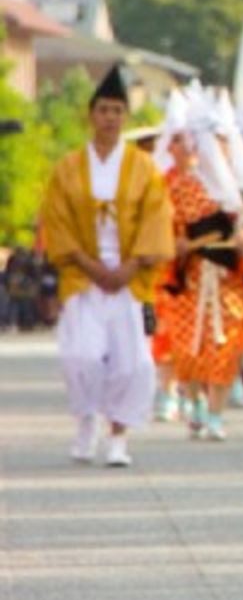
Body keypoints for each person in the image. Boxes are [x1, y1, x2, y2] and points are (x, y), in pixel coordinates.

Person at [41, 65, 174, 468]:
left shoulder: (144, 168)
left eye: (117, 110)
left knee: (132, 363)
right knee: (80, 357)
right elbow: (57, 219)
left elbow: (156, 218)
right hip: (85, 276)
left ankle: (118, 437)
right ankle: (86, 421)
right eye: (103, 109)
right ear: (91, 114)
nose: (110, 117)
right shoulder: (67, 168)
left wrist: (130, 265)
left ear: (125, 117)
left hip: (129, 279)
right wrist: (89, 265)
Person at [160, 121, 243, 442]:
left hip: (228, 279)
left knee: (225, 345)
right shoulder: (178, 187)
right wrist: (176, 246)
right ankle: (195, 403)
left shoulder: (240, 189)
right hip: (192, 277)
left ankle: (216, 414)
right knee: (188, 346)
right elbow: (167, 227)